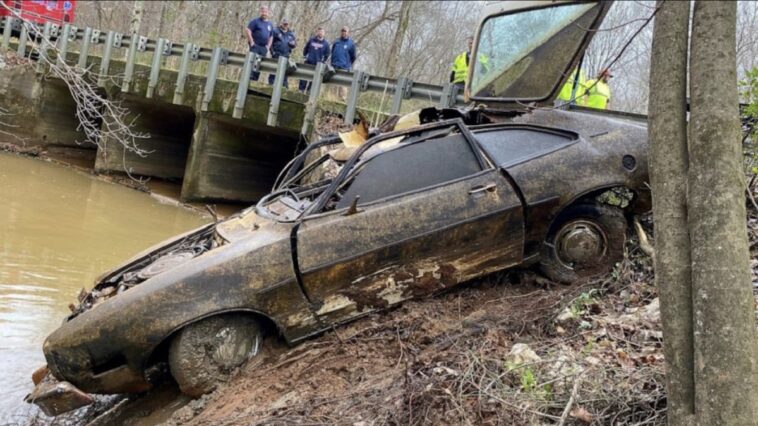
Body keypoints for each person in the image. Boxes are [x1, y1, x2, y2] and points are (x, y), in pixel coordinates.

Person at [245, 5, 273, 82]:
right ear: (260, 12)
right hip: (255, 46)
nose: (264, 13)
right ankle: (248, 80)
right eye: (263, 11)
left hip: (263, 48)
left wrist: (268, 47)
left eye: (266, 12)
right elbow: (248, 30)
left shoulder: (270, 24)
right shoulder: (255, 21)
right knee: (252, 64)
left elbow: (271, 36)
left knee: (259, 66)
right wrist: (251, 42)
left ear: (268, 13)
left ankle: (255, 81)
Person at [299, 27, 330, 93]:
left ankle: (309, 92)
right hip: (308, 62)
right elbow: (305, 49)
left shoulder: (326, 44)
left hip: (317, 65)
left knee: (313, 80)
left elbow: (327, 54)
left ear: (324, 34)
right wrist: (305, 56)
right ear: (317, 32)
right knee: (304, 76)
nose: (320, 33)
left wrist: (323, 61)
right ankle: (301, 90)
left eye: (322, 32)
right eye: (319, 32)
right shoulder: (312, 40)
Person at [268, 18, 297, 87]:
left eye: (287, 24)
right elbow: (270, 42)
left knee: (284, 72)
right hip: (276, 55)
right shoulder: (275, 31)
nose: (285, 25)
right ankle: (271, 85)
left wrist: (293, 44)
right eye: (284, 24)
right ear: (281, 24)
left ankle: (284, 86)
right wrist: (272, 52)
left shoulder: (291, 34)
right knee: (274, 71)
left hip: (286, 56)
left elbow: (294, 44)